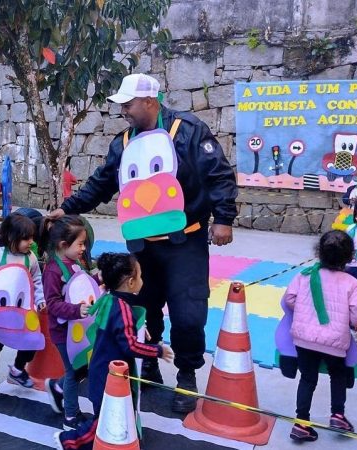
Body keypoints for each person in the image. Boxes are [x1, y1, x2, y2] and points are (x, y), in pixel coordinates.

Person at [48, 73, 237, 413]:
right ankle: (148, 361)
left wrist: (223, 218)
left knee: (188, 312)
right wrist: (68, 207)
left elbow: (219, 174)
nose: (123, 111)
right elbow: (101, 184)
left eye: (128, 104)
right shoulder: (123, 143)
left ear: (150, 101)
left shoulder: (189, 131)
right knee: (142, 307)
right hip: (142, 246)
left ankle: (186, 374)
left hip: (186, 242)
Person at [54, 252, 174, 450]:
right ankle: (68, 441)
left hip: (101, 367)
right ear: (130, 282)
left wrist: (139, 328)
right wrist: (157, 351)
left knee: (108, 413)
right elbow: (130, 345)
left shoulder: (109, 299)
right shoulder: (122, 308)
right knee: (103, 419)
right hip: (108, 374)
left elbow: (118, 327)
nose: (142, 280)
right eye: (140, 276)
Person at [283, 231, 357, 442]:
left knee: (307, 379)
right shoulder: (352, 283)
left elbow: (289, 299)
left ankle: (301, 423)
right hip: (335, 342)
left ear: (318, 252)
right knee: (338, 376)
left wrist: (303, 312)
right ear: (350, 256)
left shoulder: (304, 275)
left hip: (303, 339)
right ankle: (337, 415)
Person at [0, 213, 46, 395]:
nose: (31, 242)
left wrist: (40, 300)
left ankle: (17, 369)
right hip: (0, 311)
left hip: (23, 310)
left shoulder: (30, 258)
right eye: (25, 238)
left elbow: (36, 280)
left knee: (30, 340)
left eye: (32, 237)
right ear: (10, 237)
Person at [41, 216, 93, 431]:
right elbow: (52, 304)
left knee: (81, 368)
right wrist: (75, 310)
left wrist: (98, 281)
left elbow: (83, 285)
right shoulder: (53, 271)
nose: (84, 248)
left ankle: (57, 387)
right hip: (63, 332)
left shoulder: (75, 263)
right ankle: (71, 417)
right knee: (73, 372)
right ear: (63, 245)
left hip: (79, 329)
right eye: (80, 244)